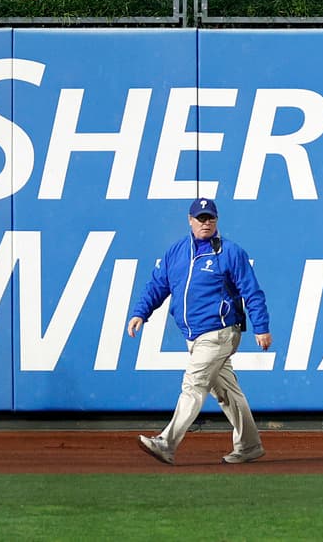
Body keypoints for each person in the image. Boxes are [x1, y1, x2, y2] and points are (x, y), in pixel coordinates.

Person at [128, 198, 272, 467]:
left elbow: (252, 292)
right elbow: (158, 285)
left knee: (193, 384)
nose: (206, 223)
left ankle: (166, 443)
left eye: (210, 218)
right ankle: (250, 445)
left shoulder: (229, 252)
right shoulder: (177, 252)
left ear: (216, 221)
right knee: (227, 392)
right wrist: (140, 312)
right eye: (201, 218)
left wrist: (261, 327)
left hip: (219, 332)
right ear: (190, 220)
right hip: (193, 336)